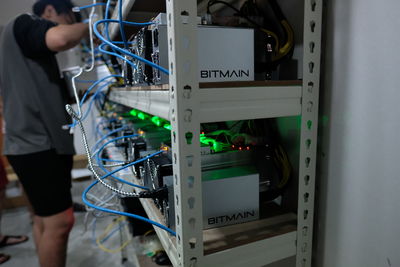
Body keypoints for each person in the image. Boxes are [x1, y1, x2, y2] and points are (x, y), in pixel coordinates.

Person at [0, 0, 89, 266]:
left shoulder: (18, 44)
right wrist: (92, 25)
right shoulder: (27, 23)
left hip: (27, 145)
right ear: (50, 10)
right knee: (61, 223)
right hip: (37, 144)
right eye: (69, 18)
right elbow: (61, 38)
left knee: (43, 218)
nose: (71, 25)